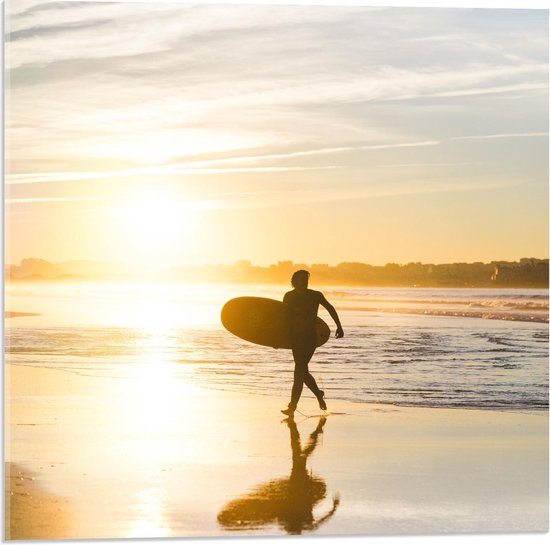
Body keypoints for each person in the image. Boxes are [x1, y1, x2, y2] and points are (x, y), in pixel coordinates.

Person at [281, 270, 344, 416]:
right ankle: (319, 395)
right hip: (295, 338)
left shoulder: (315, 295)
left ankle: (292, 407)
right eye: (301, 279)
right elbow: (284, 318)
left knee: (299, 371)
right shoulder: (289, 296)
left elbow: (330, 308)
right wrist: (276, 338)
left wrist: (339, 326)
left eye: (306, 279)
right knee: (303, 372)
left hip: (310, 338)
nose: (305, 282)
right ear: (294, 281)